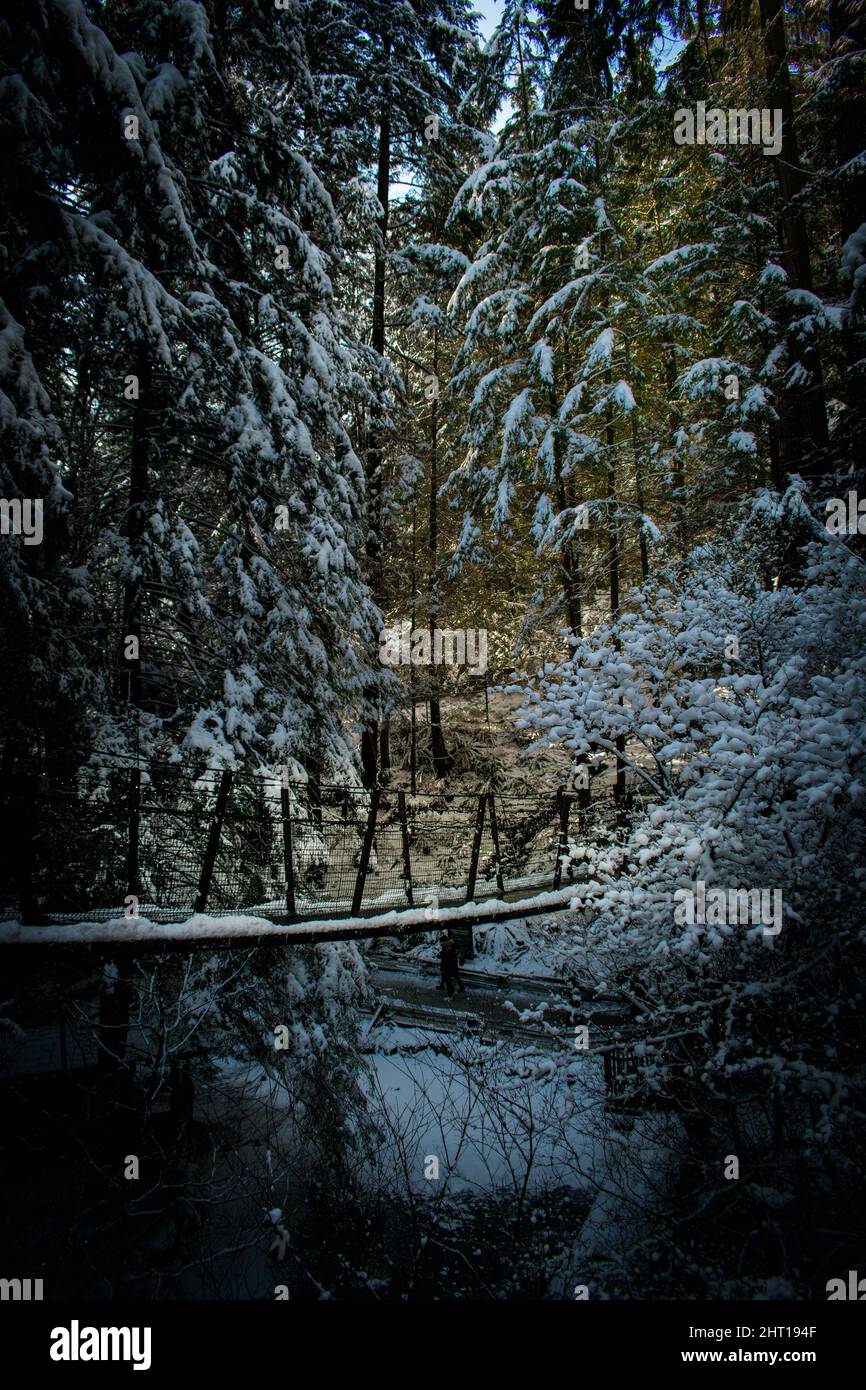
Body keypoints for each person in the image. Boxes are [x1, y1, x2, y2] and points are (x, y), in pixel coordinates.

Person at [438, 931, 464, 998]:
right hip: (451, 964)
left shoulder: (447, 946)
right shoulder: (450, 944)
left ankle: (452, 991)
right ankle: (443, 986)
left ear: (444, 941)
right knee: (448, 975)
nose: (441, 944)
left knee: (449, 976)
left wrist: (442, 955)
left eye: (441, 942)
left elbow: (447, 956)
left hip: (448, 965)